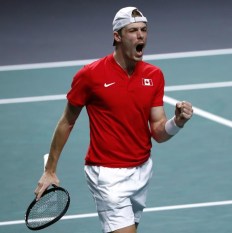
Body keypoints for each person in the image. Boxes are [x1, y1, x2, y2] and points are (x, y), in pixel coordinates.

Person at [34, 6, 193, 233]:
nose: (141, 36)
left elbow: (158, 131)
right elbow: (66, 121)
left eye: (144, 30)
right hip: (107, 175)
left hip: (142, 170)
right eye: (133, 30)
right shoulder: (91, 75)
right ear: (117, 36)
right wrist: (50, 169)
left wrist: (177, 122)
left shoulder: (154, 75)